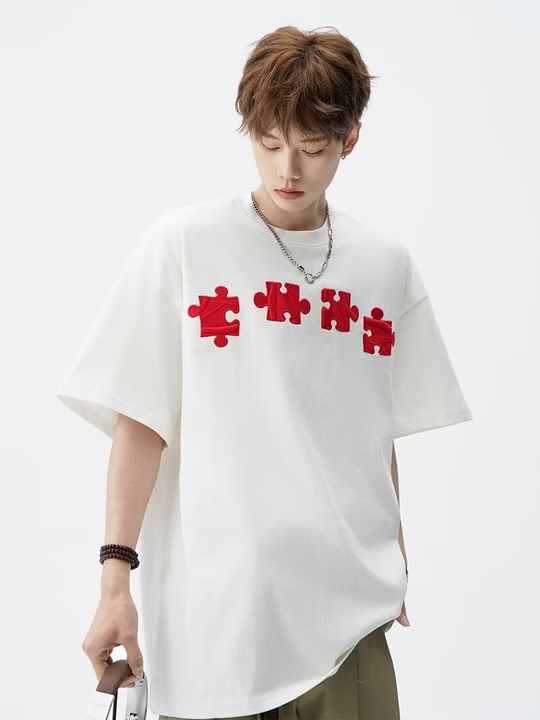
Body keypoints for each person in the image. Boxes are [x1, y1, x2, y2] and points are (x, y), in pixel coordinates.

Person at [56, 25, 472, 720]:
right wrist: (114, 579)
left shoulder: (384, 265)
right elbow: (141, 421)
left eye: (313, 148)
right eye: (270, 143)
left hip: (348, 620)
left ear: (350, 140)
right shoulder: (186, 247)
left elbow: (372, 423)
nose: (288, 170)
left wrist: (395, 556)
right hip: (218, 623)